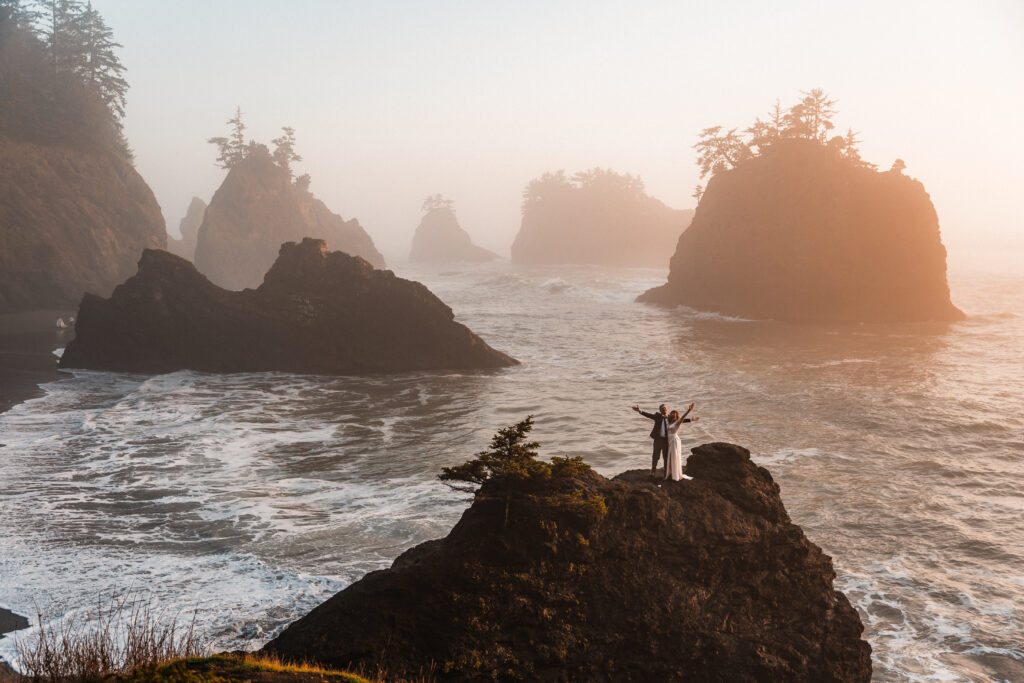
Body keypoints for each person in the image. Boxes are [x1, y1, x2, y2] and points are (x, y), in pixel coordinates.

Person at [632, 403, 671, 477]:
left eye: (665, 408)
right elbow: (648, 415)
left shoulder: (670, 418)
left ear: (667, 409)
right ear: (660, 410)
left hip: (666, 440)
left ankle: (666, 471)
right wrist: (639, 411)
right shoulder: (657, 416)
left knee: (666, 456)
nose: (664, 409)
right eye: (662, 408)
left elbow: (680, 421)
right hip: (658, 439)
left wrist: (691, 420)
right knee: (656, 455)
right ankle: (653, 471)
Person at [664, 403, 698, 481]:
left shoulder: (677, 422)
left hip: (674, 440)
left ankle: (675, 475)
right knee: (670, 457)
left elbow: (683, 417)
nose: (672, 414)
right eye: (671, 413)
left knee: (674, 456)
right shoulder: (669, 423)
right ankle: (671, 472)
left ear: (676, 416)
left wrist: (689, 410)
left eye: (674, 414)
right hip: (670, 440)